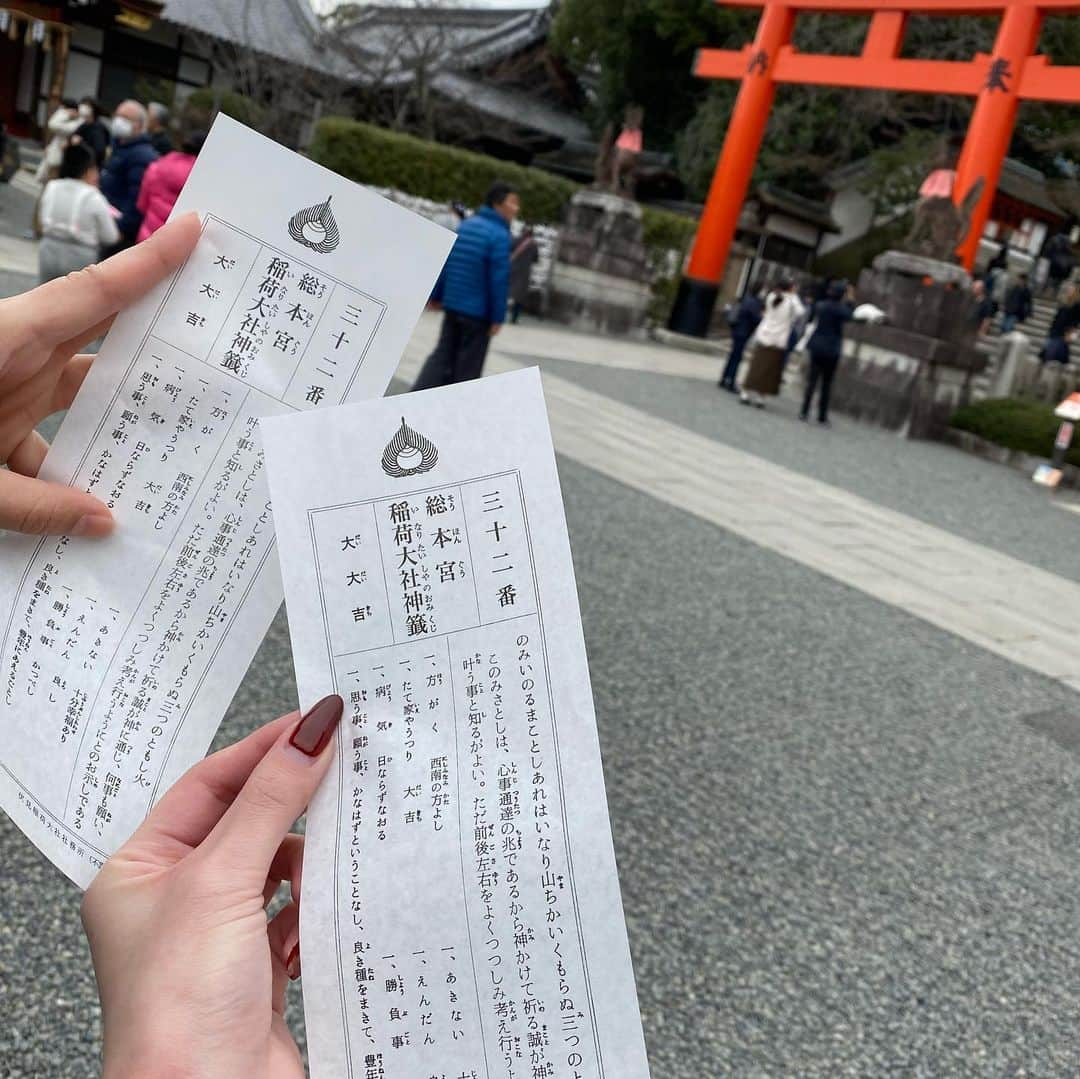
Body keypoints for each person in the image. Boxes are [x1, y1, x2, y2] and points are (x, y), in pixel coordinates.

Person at [0, 212, 199, 538]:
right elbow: (111, 229)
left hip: (63, 249)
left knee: (56, 317)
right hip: (125, 249)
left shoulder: (148, 167)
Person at [412, 181, 518, 390]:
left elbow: (449, 262)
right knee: (468, 366)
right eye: (513, 203)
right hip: (477, 313)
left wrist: (436, 295)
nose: (516, 209)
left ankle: (418, 394)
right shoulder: (499, 235)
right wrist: (498, 316)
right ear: (498, 204)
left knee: (443, 355)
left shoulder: (467, 225)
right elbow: (498, 279)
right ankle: (455, 409)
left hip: (453, 305)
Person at [37, 143, 120, 283]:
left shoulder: (52, 187)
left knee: (43, 296)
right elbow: (110, 236)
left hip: (49, 248)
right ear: (87, 170)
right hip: (81, 255)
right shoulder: (94, 197)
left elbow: (42, 217)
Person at [100, 100, 159, 254]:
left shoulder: (142, 156)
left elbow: (137, 199)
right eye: (117, 116)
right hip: (107, 221)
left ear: (139, 125)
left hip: (120, 233)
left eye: (125, 118)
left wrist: (122, 229)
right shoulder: (119, 147)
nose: (118, 121)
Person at [739, 278, 806, 408]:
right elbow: (801, 312)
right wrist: (794, 296)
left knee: (755, 366)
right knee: (770, 371)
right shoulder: (791, 301)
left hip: (764, 335)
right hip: (778, 339)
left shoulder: (772, 296)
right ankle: (760, 397)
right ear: (790, 288)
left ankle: (745, 392)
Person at [800, 282, 855, 427]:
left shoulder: (821, 305)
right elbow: (850, 315)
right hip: (831, 348)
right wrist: (850, 299)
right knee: (826, 383)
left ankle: (804, 411)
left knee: (812, 381)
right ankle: (822, 416)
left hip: (817, 345)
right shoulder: (841, 310)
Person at [136, 127, 205, 241]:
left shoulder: (158, 166)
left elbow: (142, 205)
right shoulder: (202, 180)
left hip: (146, 239)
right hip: (175, 246)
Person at [718, 289, 763, 392]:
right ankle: (731, 382)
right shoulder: (753, 303)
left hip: (737, 330)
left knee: (732, 356)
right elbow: (755, 318)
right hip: (743, 332)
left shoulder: (745, 299)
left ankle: (724, 378)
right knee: (737, 358)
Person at [35, 98, 81, 184]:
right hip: (55, 153)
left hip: (62, 157)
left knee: (52, 182)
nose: (61, 111)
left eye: (63, 109)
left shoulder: (77, 123)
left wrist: (65, 114)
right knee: (47, 182)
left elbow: (53, 124)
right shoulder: (67, 120)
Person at [1041, 285, 1080, 365]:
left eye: (1071, 290)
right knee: (1047, 352)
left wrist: (1071, 334)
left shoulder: (1077, 306)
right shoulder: (1064, 303)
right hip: (1055, 331)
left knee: (1053, 354)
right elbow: (1056, 318)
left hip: (1064, 333)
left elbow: (1076, 323)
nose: (1069, 292)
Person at [508, 227, 538, 324]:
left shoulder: (515, 240)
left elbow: (508, 250)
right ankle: (514, 318)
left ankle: (499, 315)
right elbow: (536, 259)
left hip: (512, 270)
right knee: (519, 297)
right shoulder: (533, 245)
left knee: (505, 293)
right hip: (524, 273)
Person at [72, 97, 110, 167]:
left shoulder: (98, 128)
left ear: (93, 109)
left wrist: (80, 143)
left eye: (86, 106)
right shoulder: (84, 125)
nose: (82, 108)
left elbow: (99, 151)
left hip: (91, 167)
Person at [1044, 232, 1075, 299]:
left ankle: (1050, 294)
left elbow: (1048, 253)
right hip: (1058, 270)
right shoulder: (1064, 249)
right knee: (1054, 283)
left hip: (1057, 270)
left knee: (1053, 282)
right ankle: (1052, 294)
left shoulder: (1058, 245)